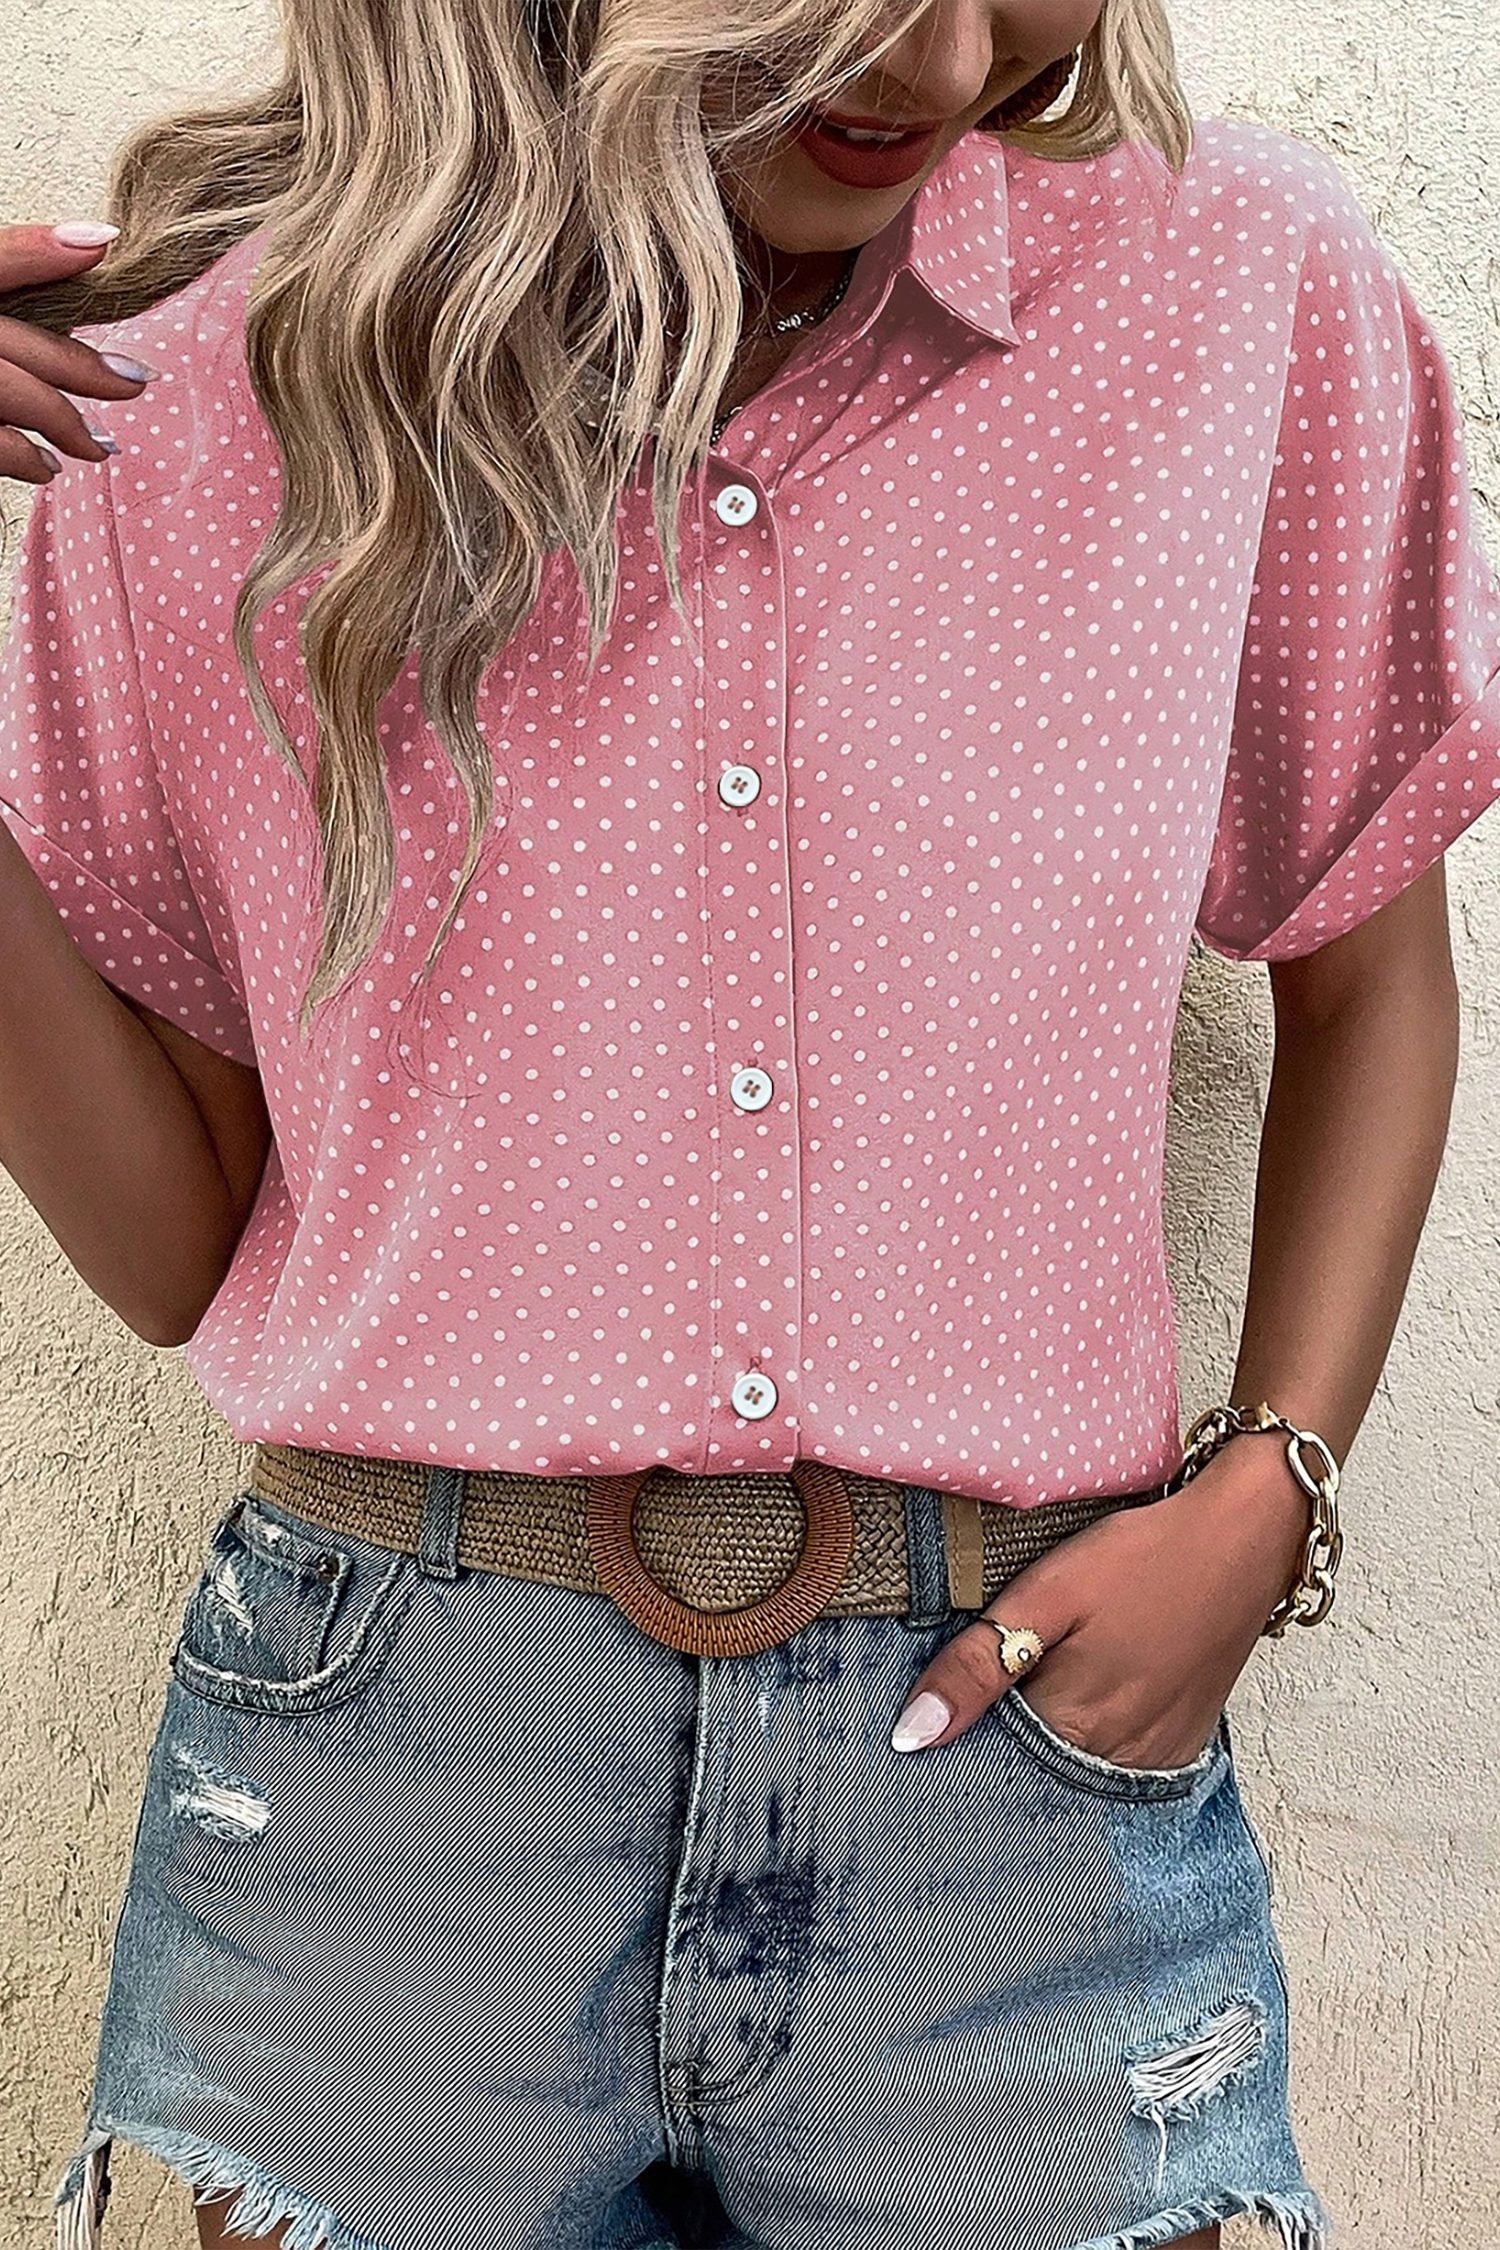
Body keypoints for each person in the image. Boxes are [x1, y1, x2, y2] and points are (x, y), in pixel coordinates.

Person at [0, 0, 1496, 2244]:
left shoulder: (1226, 279)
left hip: (1009, 1777)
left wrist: (1270, 1492)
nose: (947, 56)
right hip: (394, 1793)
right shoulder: (210, 368)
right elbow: (168, 1247)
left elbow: (1367, 962)